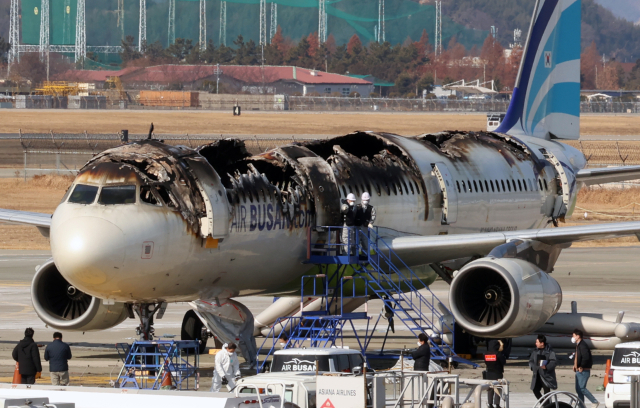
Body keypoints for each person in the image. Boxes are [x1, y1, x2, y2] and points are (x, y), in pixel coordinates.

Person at [573, 329, 599, 407]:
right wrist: (575, 366)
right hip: (579, 370)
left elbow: (586, 357)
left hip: (583, 371)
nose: (573, 337)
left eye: (574, 335)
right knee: (578, 389)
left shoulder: (582, 345)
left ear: (578, 336)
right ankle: (581, 405)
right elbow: (578, 357)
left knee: (582, 388)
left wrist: (581, 366)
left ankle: (594, 401)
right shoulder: (579, 345)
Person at [529, 334, 557, 401]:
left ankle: (547, 405)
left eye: (537, 342)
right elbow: (531, 361)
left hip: (546, 375)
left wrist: (546, 367)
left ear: (542, 343)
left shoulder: (550, 351)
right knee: (535, 390)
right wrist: (533, 367)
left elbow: (554, 361)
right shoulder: (535, 351)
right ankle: (544, 404)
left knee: (547, 393)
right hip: (537, 375)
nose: (536, 344)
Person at [485, 339, 507, 408]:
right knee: (497, 388)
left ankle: (490, 404)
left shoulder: (486, 354)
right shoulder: (498, 354)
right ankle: (497, 404)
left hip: (488, 373)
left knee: (490, 389)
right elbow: (503, 362)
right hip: (497, 373)